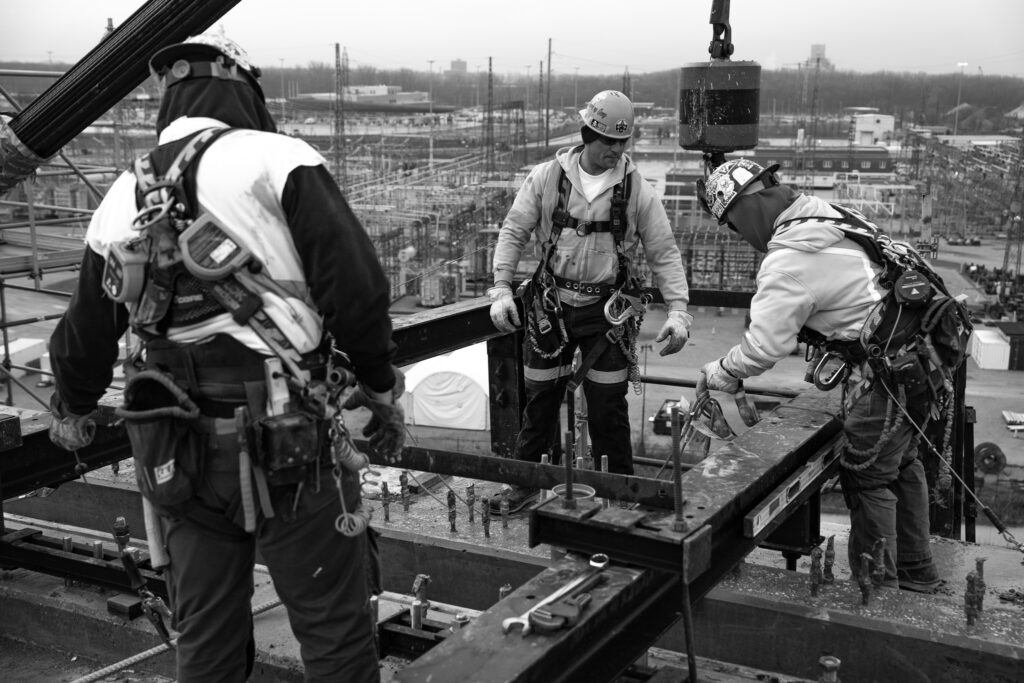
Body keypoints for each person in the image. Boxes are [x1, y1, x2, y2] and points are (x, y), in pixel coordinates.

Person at [46, 33, 403, 681]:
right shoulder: (279, 159)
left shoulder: (123, 193)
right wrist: (377, 386)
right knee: (333, 630)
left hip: (176, 449)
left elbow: (83, 337)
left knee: (205, 638)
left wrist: (71, 408)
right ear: (245, 91)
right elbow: (357, 290)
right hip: (289, 442)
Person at [694, 158, 941, 592]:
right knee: (903, 464)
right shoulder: (824, 214)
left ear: (742, 210)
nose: (739, 234)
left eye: (732, 223)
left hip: (883, 375)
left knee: (869, 476)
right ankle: (915, 571)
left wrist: (722, 369)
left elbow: (765, 347)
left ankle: (876, 590)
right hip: (919, 361)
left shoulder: (789, 257)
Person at [488, 90, 692, 507]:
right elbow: (514, 231)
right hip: (551, 308)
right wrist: (500, 288)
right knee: (539, 403)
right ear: (587, 135)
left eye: (623, 143)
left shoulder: (636, 190)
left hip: (606, 316)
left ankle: (621, 498)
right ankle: (525, 486)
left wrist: (679, 310)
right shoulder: (547, 178)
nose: (616, 151)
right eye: (608, 142)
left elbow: (663, 252)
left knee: (607, 411)